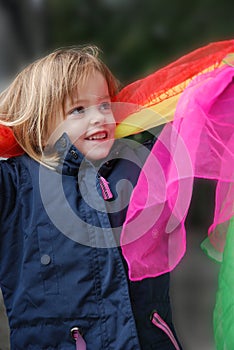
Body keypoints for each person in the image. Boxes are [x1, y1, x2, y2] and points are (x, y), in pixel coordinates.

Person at [0, 46, 182, 349]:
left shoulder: (136, 166)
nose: (99, 117)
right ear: (40, 124)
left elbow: (192, 137)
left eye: (104, 105)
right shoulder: (16, 187)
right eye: (78, 110)